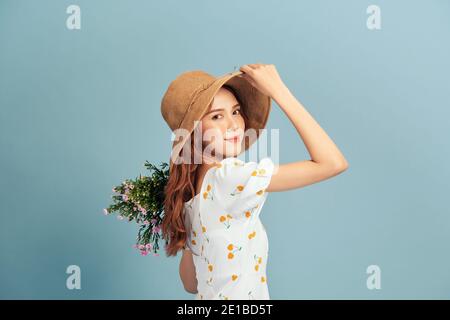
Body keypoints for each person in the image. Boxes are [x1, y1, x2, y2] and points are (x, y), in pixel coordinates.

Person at [160, 63, 349, 299]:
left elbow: (191, 283)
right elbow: (333, 163)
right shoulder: (227, 177)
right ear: (195, 132)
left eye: (236, 111)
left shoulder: (191, 195)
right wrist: (279, 91)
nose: (234, 124)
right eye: (217, 116)